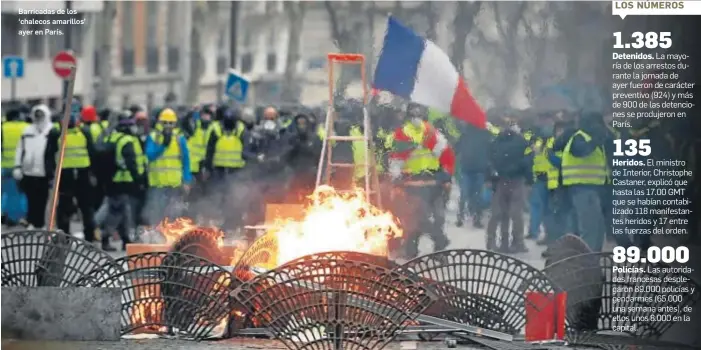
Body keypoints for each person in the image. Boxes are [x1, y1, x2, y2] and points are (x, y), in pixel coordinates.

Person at [387, 102, 455, 259]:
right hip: (414, 184)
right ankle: (423, 246)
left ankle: (436, 250)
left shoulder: (431, 134)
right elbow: (395, 160)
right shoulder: (403, 135)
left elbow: (446, 156)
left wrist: (446, 177)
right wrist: (396, 180)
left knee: (429, 218)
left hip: (431, 182)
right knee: (419, 219)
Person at [554, 111, 608, 252]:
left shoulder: (588, 137)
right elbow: (581, 151)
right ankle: (587, 266)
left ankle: (592, 262)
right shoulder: (580, 137)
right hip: (583, 189)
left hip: (590, 189)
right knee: (590, 230)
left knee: (596, 228)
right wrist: (596, 139)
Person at [47, 99, 98, 242]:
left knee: (86, 208)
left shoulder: (84, 131)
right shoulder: (56, 132)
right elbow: (49, 155)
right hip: (64, 175)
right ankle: (64, 237)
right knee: (64, 208)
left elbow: (92, 153)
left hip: (83, 174)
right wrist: (51, 175)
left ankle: (89, 237)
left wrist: (93, 174)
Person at [100, 111, 147, 251]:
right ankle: (107, 237)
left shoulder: (113, 138)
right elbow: (132, 163)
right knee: (118, 212)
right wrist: (139, 180)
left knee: (120, 211)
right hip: (125, 181)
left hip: (112, 181)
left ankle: (124, 238)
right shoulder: (127, 141)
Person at [204, 107, 254, 231]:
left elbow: (246, 149)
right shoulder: (215, 129)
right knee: (220, 198)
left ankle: (233, 223)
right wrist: (208, 168)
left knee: (235, 198)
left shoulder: (241, 129)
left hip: (236, 172)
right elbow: (209, 150)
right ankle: (222, 224)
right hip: (219, 171)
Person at [486, 119, 531, 253]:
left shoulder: (495, 142)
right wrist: (529, 180)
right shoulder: (522, 142)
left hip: (500, 180)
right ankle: (518, 242)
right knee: (516, 214)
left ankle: (501, 242)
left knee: (501, 213)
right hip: (516, 180)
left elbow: (489, 162)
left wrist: (489, 179)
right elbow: (528, 162)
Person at [144, 108, 192, 225]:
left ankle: (170, 239)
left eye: (170, 123)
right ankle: (156, 237)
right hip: (157, 184)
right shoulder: (154, 137)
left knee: (173, 215)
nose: (168, 126)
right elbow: (150, 155)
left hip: (174, 185)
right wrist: (163, 146)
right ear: (160, 123)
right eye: (165, 123)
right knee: (156, 214)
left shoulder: (179, 139)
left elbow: (186, 161)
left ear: (175, 124)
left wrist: (187, 180)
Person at [13, 104, 55, 229]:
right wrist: (17, 166)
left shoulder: (52, 131)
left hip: (44, 171)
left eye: (41, 115)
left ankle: (40, 222)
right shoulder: (27, 131)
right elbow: (20, 149)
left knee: (42, 199)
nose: (38, 118)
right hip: (28, 170)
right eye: (36, 115)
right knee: (31, 198)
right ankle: (32, 221)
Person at [455, 122, 491, 228]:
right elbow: (491, 151)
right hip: (479, 168)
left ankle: (461, 217)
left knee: (465, 194)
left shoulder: (465, 134)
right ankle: (476, 219)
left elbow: (456, 148)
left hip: (467, 167)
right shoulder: (486, 134)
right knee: (477, 195)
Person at [283, 113, 323, 203]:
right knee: (293, 197)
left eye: (304, 123)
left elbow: (319, 155)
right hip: (295, 173)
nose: (302, 126)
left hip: (310, 173)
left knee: (310, 198)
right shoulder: (291, 139)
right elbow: (285, 155)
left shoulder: (315, 138)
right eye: (299, 124)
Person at [1, 105, 29, 226]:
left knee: (8, 192)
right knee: (22, 193)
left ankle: (6, 214)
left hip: (6, 165)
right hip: (22, 166)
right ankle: (21, 216)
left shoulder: (2, 127)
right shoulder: (26, 127)